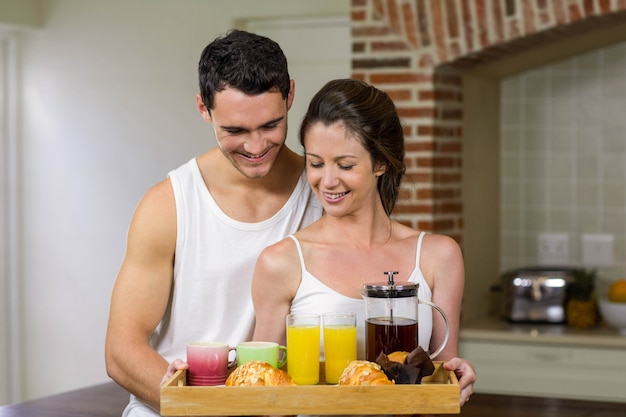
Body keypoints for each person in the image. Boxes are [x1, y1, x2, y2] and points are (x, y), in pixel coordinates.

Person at [104, 29, 323, 416]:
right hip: (179, 409)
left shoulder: (324, 195)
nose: (256, 147)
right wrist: (203, 410)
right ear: (204, 109)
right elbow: (122, 351)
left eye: (270, 125)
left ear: (290, 95)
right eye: (235, 131)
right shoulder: (168, 205)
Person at [251, 78, 476, 405]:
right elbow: (258, 388)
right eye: (315, 163)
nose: (326, 181)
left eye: (345, 165)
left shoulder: (437, 256)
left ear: (380, 163)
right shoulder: (282, 262)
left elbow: (442, 378)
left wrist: (460, 377)